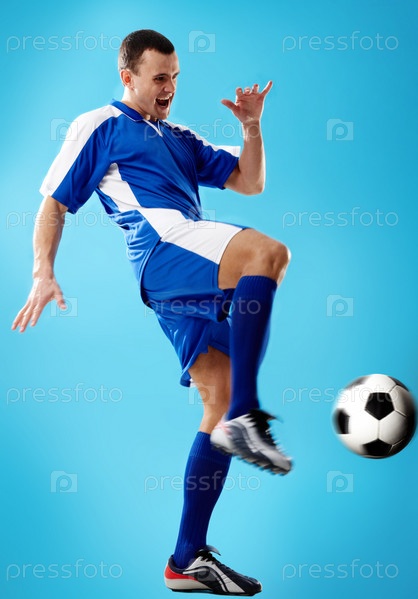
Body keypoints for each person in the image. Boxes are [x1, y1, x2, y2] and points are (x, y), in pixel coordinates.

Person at [12, 29, 292, 596]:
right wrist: (42, 271)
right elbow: (54, 202)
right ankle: (247, 414)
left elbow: (249, 182)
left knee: (215, 400)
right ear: (128, 77)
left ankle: (185, 560)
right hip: (165, 249)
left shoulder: (180, 137)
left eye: (175, 78)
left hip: (182, 276)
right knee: (268, 253)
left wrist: (251, 128)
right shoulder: (101, 125)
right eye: (159, 77)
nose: (169, 88)